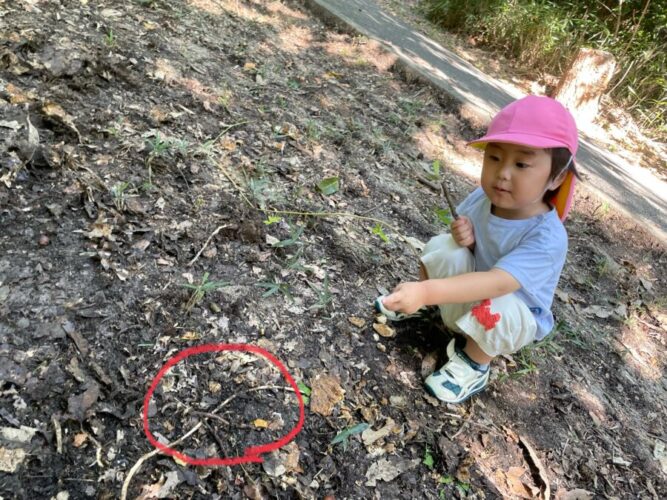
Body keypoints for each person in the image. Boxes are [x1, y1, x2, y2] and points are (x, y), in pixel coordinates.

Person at [375, 95, 580, 404]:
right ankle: (432, 308)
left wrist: (427, 290)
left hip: (504, 314)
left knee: (501, 307)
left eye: (521, 164)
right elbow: (470, 247)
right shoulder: (484, 198)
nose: (503, 173)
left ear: (557, 177)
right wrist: (467, 240)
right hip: (468, 291)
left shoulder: (547, 237)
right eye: (494, 158)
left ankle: (473, 362)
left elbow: (498, 283)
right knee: (445, 247)